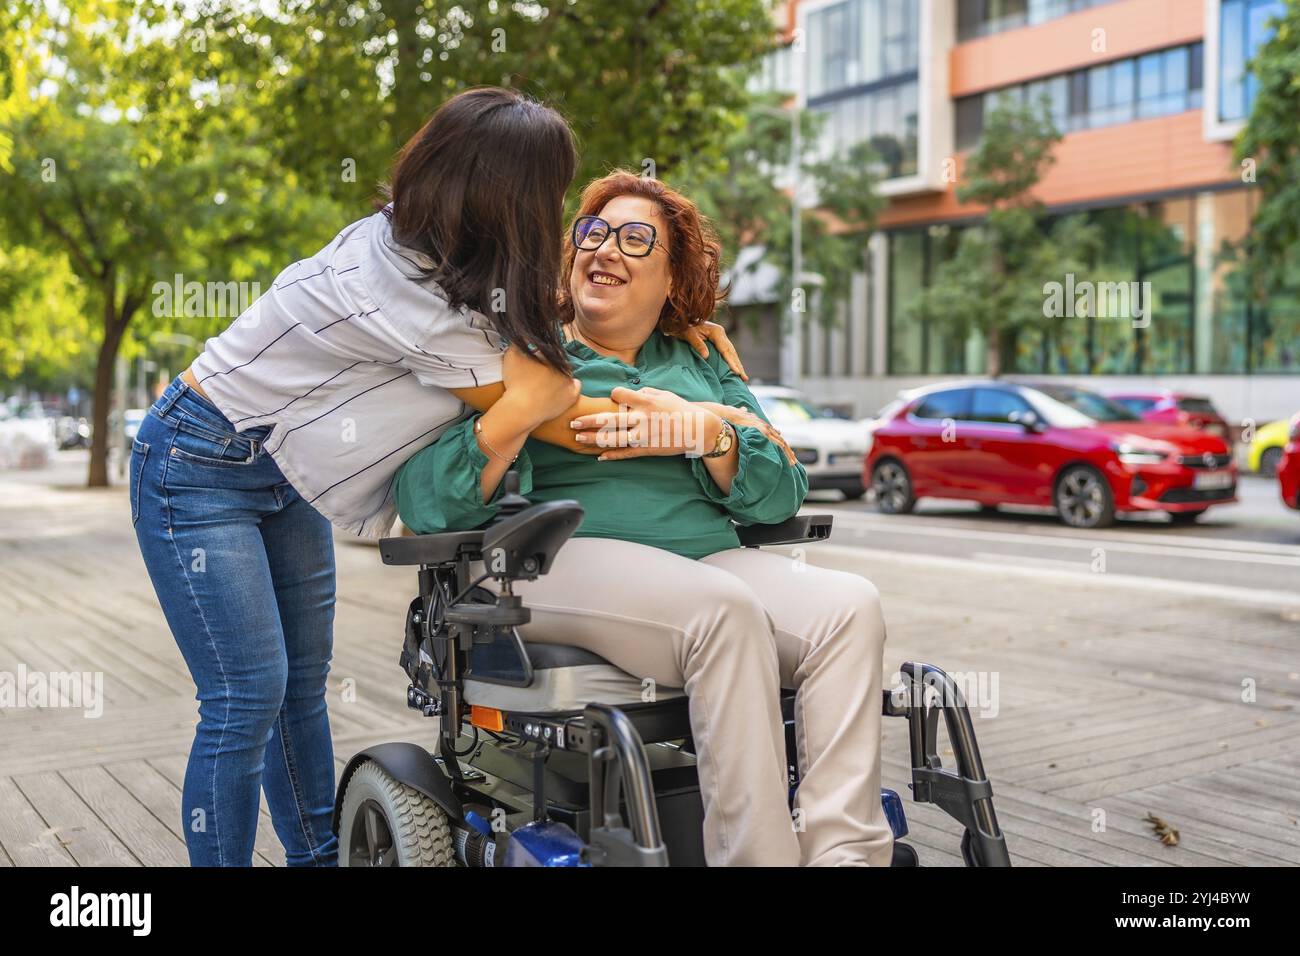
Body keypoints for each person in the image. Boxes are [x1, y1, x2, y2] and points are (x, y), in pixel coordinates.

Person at [129, 88, 746, 867]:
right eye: (549, 191)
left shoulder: (454, 265)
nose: (554, 210)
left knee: (300, 690)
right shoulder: (400, 286)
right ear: (505, 195)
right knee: (246, 696)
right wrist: (685, 418)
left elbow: (542, 341)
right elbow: (554, 410)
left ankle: (317, 860)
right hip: (200, 461)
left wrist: (676, 323)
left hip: (289, 473)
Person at [395, 171, 894, 866]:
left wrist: (705, 433)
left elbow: (781, 493)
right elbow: (423, 502)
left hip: (705, 561)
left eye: (635, 240)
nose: (605, 249)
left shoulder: (700, 361)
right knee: (722, 610)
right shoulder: (522, 354)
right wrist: (520, 416)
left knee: (850, 606)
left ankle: (844, 855)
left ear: (670, 280)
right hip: (557, 563)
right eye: (592, 233)